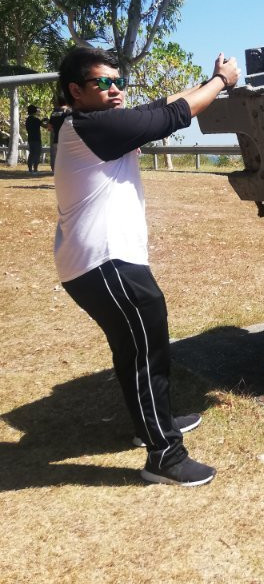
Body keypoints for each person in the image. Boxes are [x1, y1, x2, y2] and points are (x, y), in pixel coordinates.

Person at [54, 46, 240, 486]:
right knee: (146, 349)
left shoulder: (91, 123)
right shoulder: (90, 125)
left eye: (118, 81)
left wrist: (207, 80)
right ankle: (166, 457)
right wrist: (221, 83)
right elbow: (167, 118)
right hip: (106, 261)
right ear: (76, 91)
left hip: (96, 262)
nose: (115, 88)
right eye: (103, 82)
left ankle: (150, 425)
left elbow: (159, 108)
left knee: (134, 347)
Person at [47, 96, 71, 172]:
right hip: (66, 139)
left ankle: (56, 171)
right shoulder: (68, 112)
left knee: (57, 157)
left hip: (56, 139)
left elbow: (49, 128)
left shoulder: (53, 113)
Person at [25, 104, 43, 174]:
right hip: (37, 139)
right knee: (37, 154)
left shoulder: (28, 120)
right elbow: (44, 126)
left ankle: (30, 169)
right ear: (34, 111)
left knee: (31, 154)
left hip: (30, 139)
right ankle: (35, 169)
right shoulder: (36, 120)